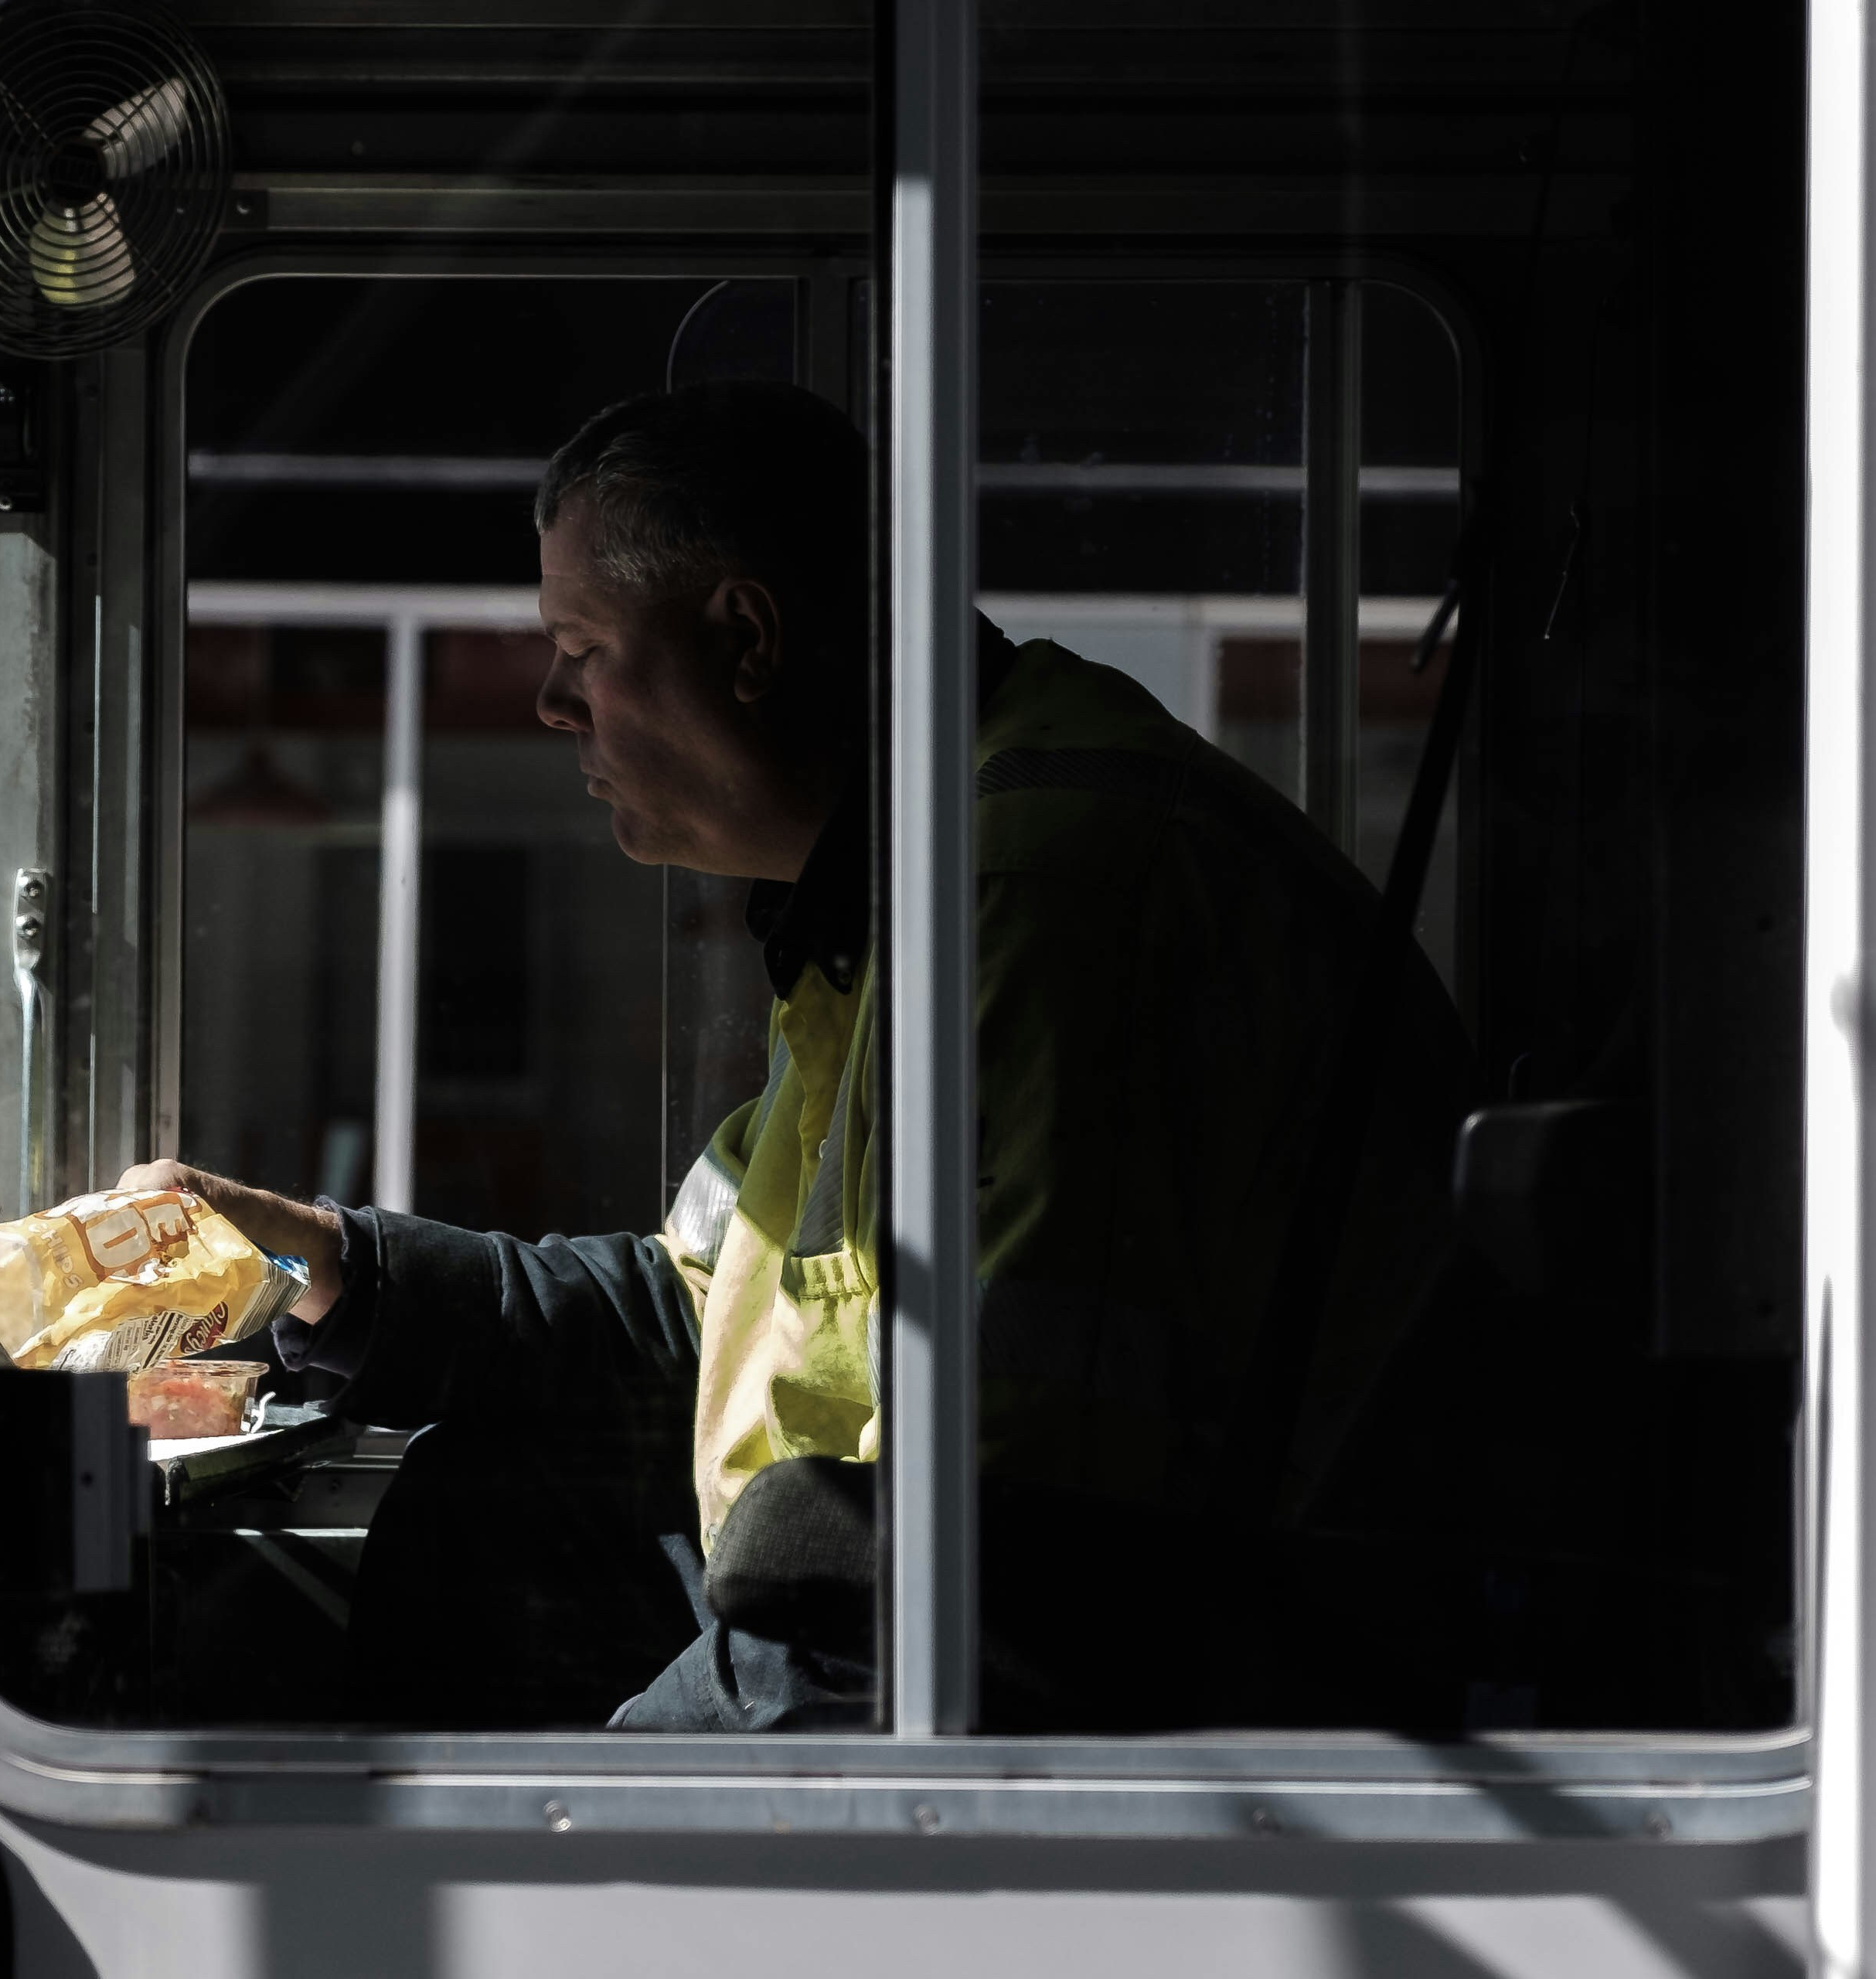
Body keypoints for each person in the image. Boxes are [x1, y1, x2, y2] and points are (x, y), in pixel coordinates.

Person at [122, 382, 1470, 1731]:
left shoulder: (1034, 895)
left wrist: (581, 1812)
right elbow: (698, 1317)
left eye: (582, 648)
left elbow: (1000, 1574)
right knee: (488, 1512)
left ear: (747, 638)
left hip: (1181, 1674)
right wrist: (320, 1264)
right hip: (951, 1598)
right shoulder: (893, 888)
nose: (548, 702)